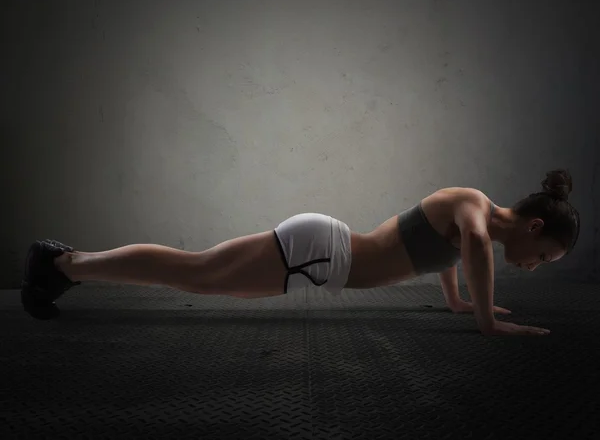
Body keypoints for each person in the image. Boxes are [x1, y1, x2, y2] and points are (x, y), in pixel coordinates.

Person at [21, 169, 580, 336]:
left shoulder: (472, 227)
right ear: (533, 227)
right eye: (544, 256)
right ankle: (64, 264)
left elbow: (454, 255)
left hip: (319, 266)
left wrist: (457, 303)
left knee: (205, 278)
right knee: (194, 273)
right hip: (322, 249)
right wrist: (485, 321)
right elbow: (476, 245)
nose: (533, 266)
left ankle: (65, 266)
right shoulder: (472, 205)